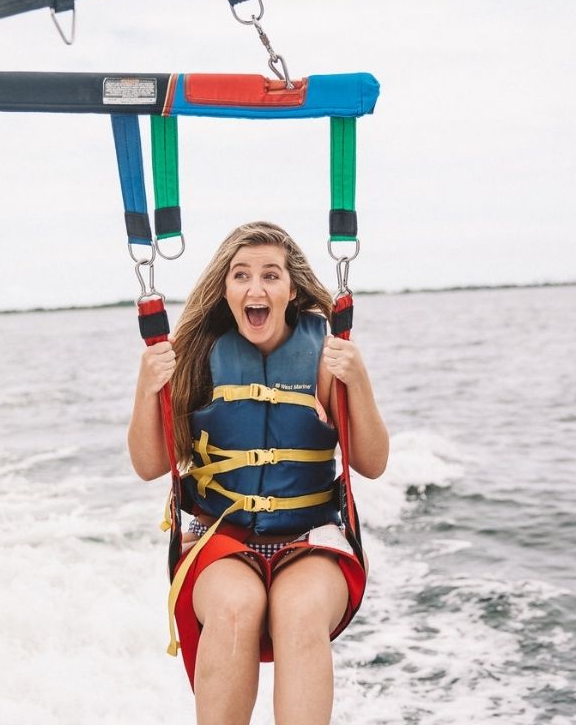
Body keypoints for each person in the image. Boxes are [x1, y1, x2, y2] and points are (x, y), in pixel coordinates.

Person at [128, 221, 388, 725]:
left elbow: (373, 463)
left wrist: (359, 381)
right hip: (219, 538)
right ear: (225, 290)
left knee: (299, 610)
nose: (256, 288)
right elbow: (147, 466)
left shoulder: (326, 356)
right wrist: (145, 388)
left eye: (271, 275)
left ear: (291, 290)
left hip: (310, 537)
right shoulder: (196, 356)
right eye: (241, 275)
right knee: (233, 609)